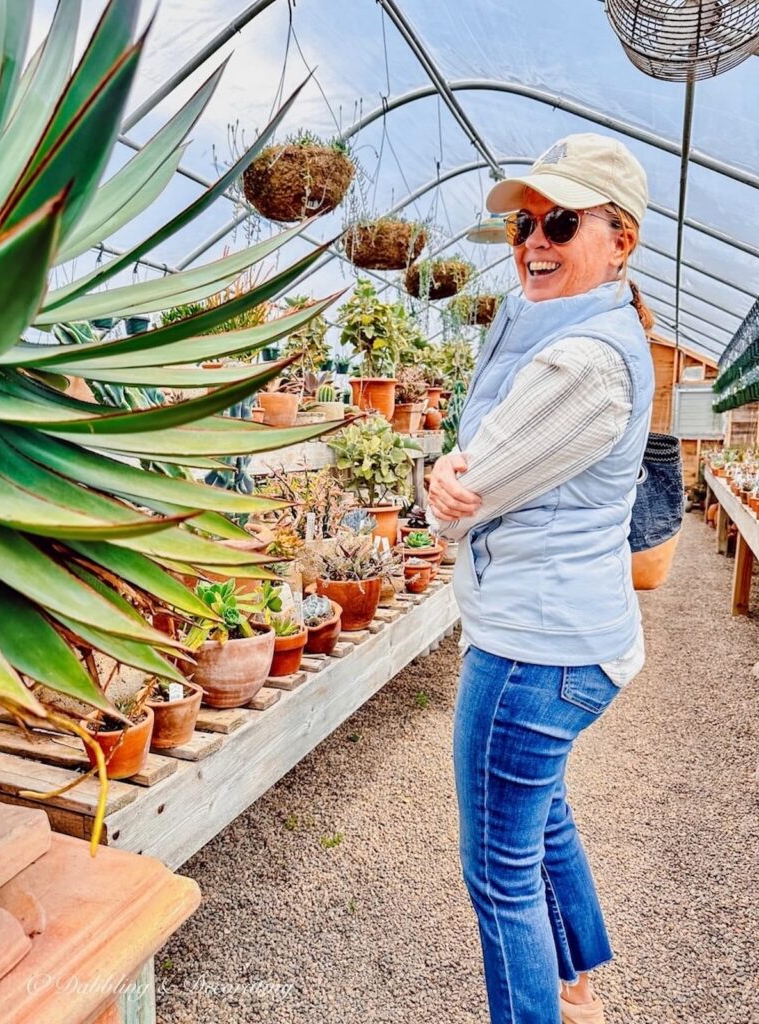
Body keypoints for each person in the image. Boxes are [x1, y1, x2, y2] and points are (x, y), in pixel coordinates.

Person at [427, 133, 655, 1024]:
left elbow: (460, 500)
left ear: (619, 240)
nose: (533, 242)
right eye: (526, 223)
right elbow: (481, 469)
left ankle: (550, 1003)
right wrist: (456, 472)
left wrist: (443, 481)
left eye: (560, 221)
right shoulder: (578, 330)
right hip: (563, 638)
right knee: (541, 811)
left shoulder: (582, 361)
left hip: (533, 649)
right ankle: (577, 978)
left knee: (499, 872)